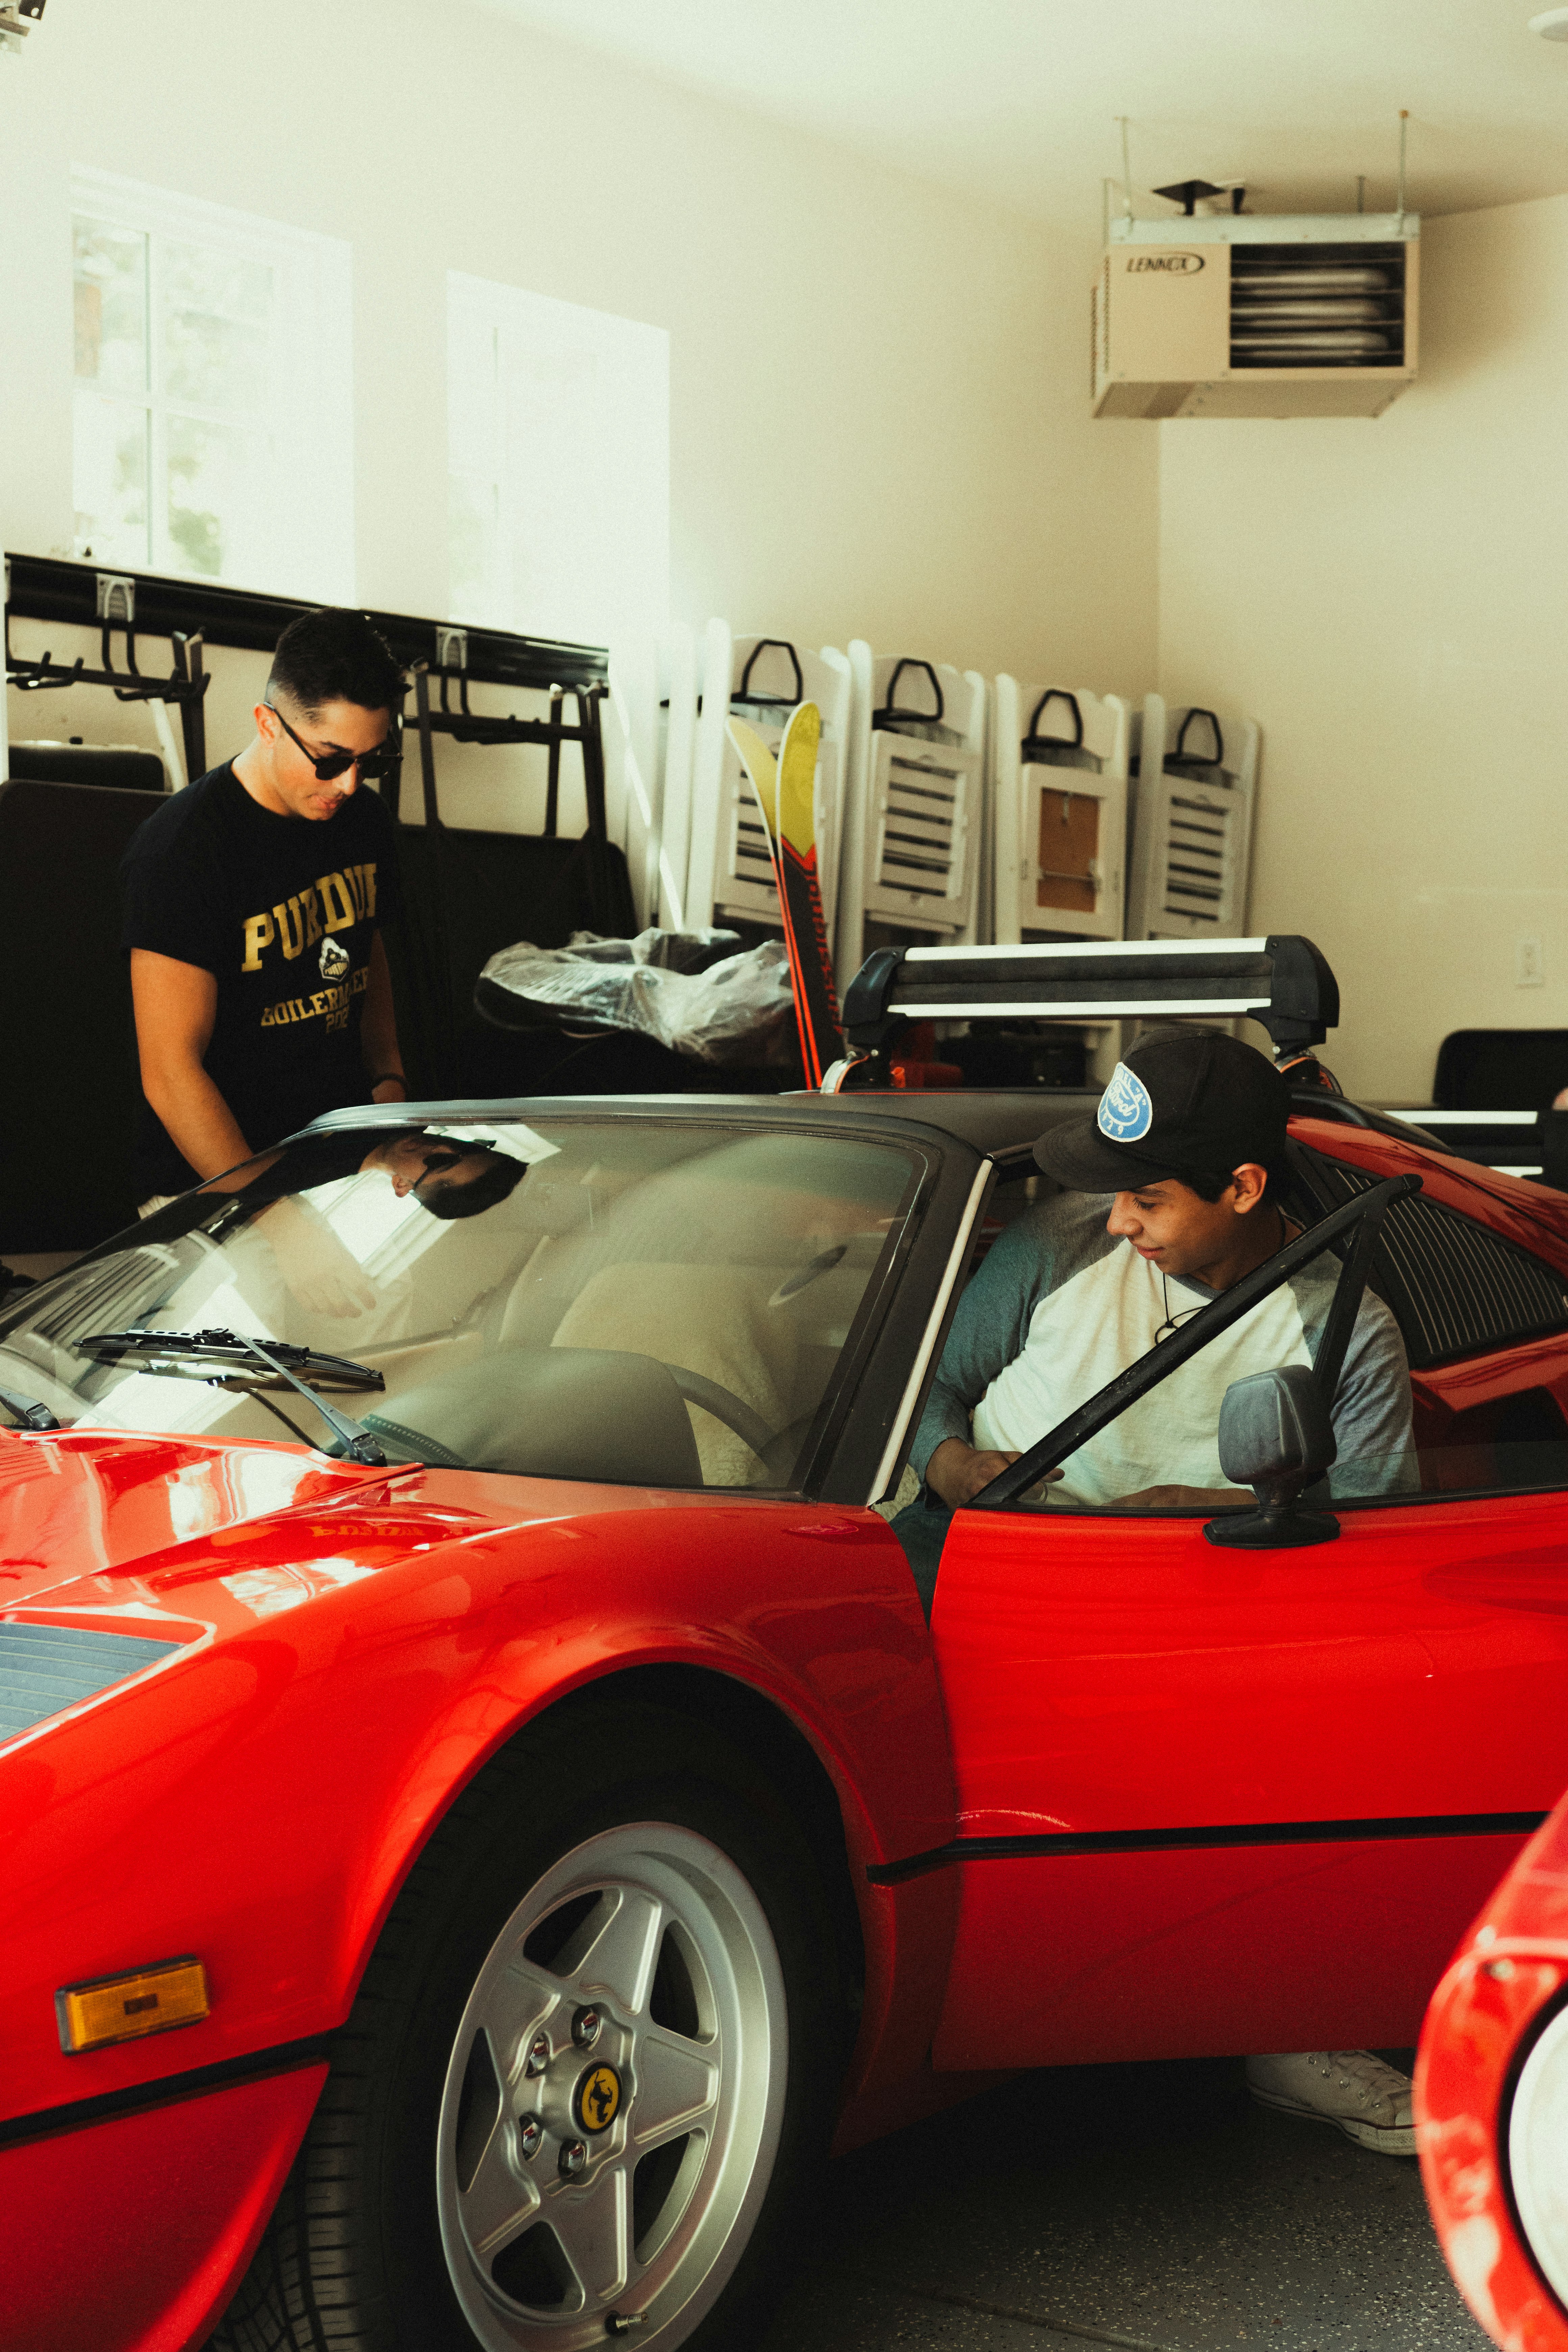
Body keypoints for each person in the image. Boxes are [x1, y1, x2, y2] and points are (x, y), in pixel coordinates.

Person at [900, 1026, 1421, 2157]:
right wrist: (953, 1469)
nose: (1119, 1222)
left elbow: (1369, 1556)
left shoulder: (1343, 1334)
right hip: (982, 1583)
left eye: (1145, 1198)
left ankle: (1295, 2025)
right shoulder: (1058, 1244)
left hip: (1201, 1636)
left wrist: (1171, 1519)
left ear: (1242, 1188)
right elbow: (934, 1394)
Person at [121, 607, 409, 1212]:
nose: (350, 784)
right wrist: (278, 1216)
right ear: (268, 723)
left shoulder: (364, 820)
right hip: (213, 1176)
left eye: (371, 761)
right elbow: (171, 1074)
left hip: (337, 1150)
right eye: (331, 758)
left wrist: (389, 1082)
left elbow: (365, 947)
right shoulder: (184, 849)